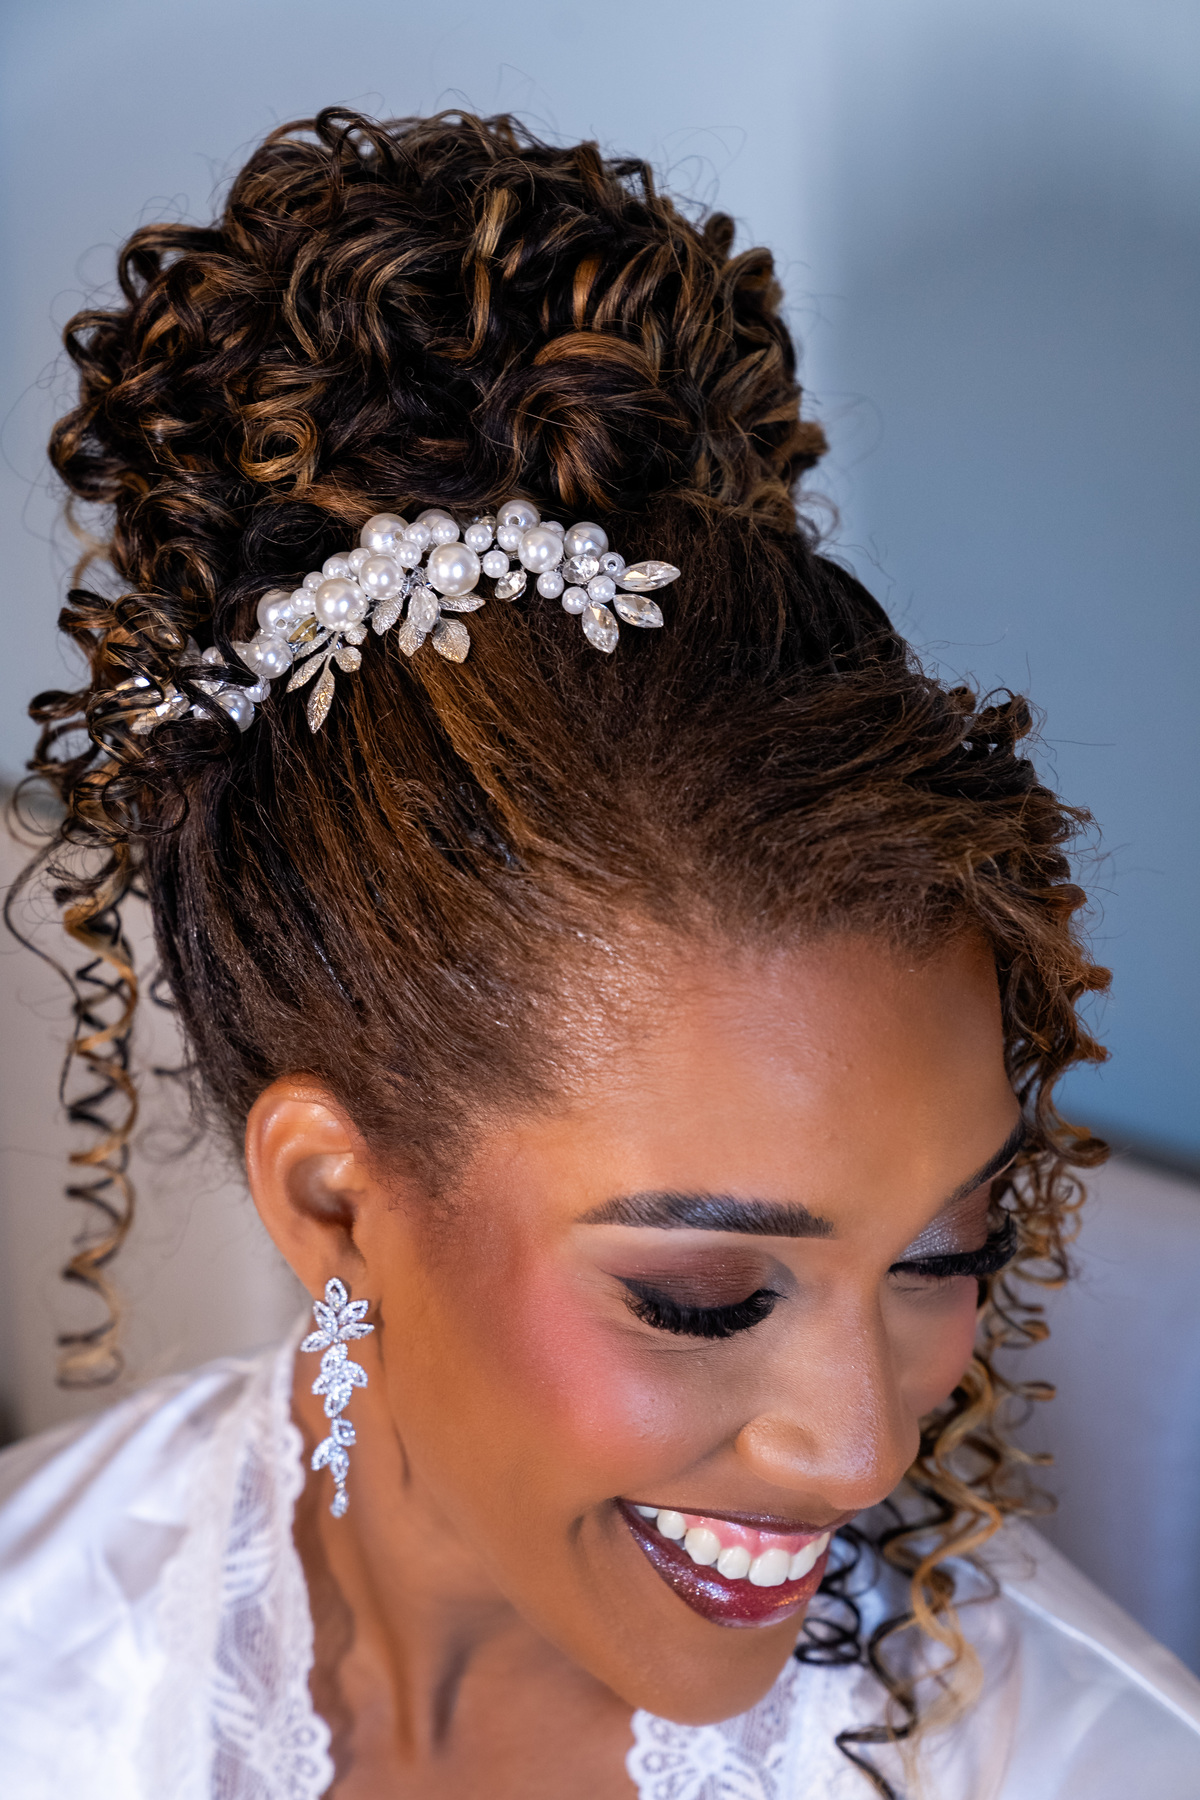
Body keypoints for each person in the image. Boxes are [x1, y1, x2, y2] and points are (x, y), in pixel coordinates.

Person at [1, 109, 1197, 1800]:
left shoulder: (1093, 1764)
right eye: (706, 1301)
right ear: (334, 1201)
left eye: (948, 1255)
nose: (860, 1453)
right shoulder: (38, 1651)